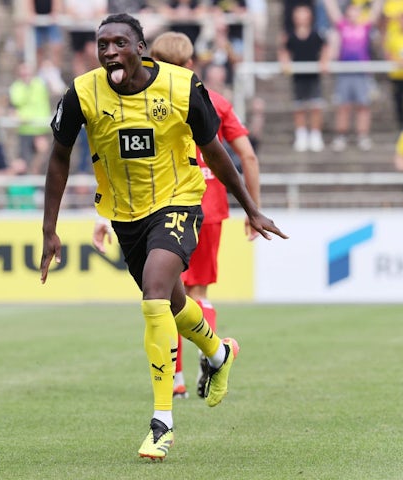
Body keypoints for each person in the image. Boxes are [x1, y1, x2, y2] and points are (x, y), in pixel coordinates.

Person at [40, 13, 287, 461]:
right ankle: (218, 352)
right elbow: (59, 158)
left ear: (140, 48)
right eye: (102, 45)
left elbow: (217, 149)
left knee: (154, 296)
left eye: (119, 43)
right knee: (173, 304)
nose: (110, 51)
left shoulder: (182, 87)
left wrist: (251, 208)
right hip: (125, 214)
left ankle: (161, 422)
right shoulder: (81, 92)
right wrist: (49, 228)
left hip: (179, 202)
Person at [139, 31, 261, 400]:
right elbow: (248, 157)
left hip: (163, 208)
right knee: (198, 292)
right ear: (191, 64)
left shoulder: (146, 101)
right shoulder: (218, 102)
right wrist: (252, 208)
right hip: (209, 211)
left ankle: (174, 379)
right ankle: (209, 360)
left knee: (164, 294)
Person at [322, 0, 383, 152]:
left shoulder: (365, 27)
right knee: (344, 106)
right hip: (345, 72)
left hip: (362, 72)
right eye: (350, 12)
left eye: (356, 11)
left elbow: (375, 13)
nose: (353, 15)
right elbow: (333, 12)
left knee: (363, 106)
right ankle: (341, 136)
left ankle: (363, 136)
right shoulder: (343, 27)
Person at [277, 3, 330, 153]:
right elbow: (284, 51)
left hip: (313, 76)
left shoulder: (316, 34)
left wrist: (324, 61)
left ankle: (315, 134)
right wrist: (285, 63)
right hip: (298, 77)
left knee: (316, 106)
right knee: (299, 106)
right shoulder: (291, 36)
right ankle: (301, 134)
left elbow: (325, 47)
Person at [8, 61, 52, 174]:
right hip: (25, 130)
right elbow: (12, 109)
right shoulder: (15, 87)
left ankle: (36, 176)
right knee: (24, 163)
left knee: (43, 152)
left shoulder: (41, 84)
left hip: (41, 128)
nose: (25, 74)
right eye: (23, 71)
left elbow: (55, 88)